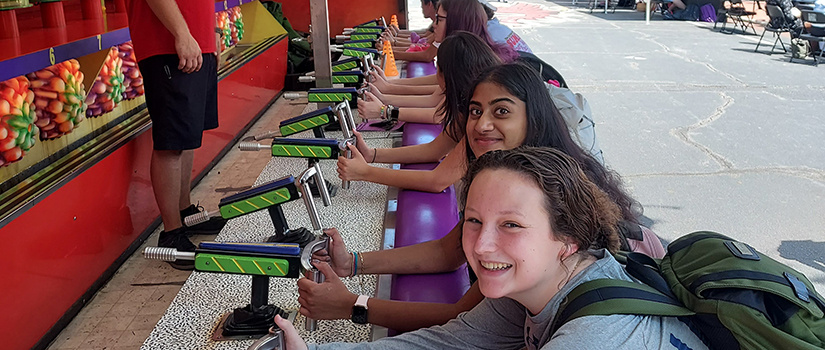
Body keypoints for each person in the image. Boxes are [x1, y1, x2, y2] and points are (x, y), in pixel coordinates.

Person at [304, 64, 664, 333]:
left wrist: (353, 305)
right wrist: (352, 262)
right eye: (475, 111)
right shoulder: (505, 172)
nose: (482, 124)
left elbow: (463, 321)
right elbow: (449, 250)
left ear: (533, 117)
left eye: (501, 111)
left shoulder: (552, 195)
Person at [276, 147, 706, 350]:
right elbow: (446, 342)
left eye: (512, 226)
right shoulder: (534, 286)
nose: (481, 245)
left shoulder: (593, 338)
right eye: (474, 220)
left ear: (568, 239)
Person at [128, 0, 226, 270]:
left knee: (186, 135)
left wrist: (210, 31)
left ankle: (185, 215)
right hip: (168, 44)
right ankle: (171, 233)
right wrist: (182, 34)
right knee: (171, 141)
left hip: (195, 41)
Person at [372, 0, 518, 91]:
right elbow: (439, 87)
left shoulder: (474, 61)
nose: (434, 25)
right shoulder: (470, 47)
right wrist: (388, 87)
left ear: (457, 22)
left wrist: (386, 106)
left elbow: (437, 109)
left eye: (440, 19)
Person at [358, 31, 500, 125]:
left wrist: (384, 110)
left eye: (440, 19)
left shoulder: (471, 99)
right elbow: (432, 99)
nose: (435, 26)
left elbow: (437, 115)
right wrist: (387, 90)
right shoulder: (465, 73)